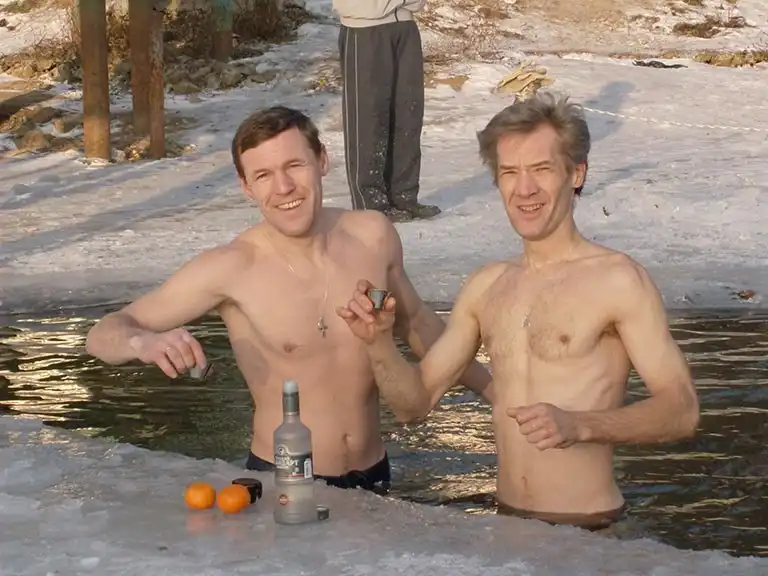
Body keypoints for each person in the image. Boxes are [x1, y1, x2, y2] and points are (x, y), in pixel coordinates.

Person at [337, 92, 700, 529]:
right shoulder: (487, 286)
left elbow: (682, 409)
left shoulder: (618, 280)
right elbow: (413, 405)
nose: (524, 189)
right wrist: (378, 342)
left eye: (541, 169)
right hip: (506, 524)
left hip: (585, 528)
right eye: (510, 172)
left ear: (576, 173)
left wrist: (580, 425)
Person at [85, 105, 492, 495]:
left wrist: (495, 391)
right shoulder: (231, 267)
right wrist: (142, 342)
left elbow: (418, 324)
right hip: (282, 483)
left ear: (321, 160)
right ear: (246, 186)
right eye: (263, 175)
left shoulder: (372, 235)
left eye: (294, 165)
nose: (283, 188)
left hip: (375, 474)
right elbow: (103, 334)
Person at [333, 0, 441, 223]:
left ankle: (404, 197)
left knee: (408, 113)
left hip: (405, 26)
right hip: (364, 27)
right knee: (368, 118)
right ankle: (370, 203)